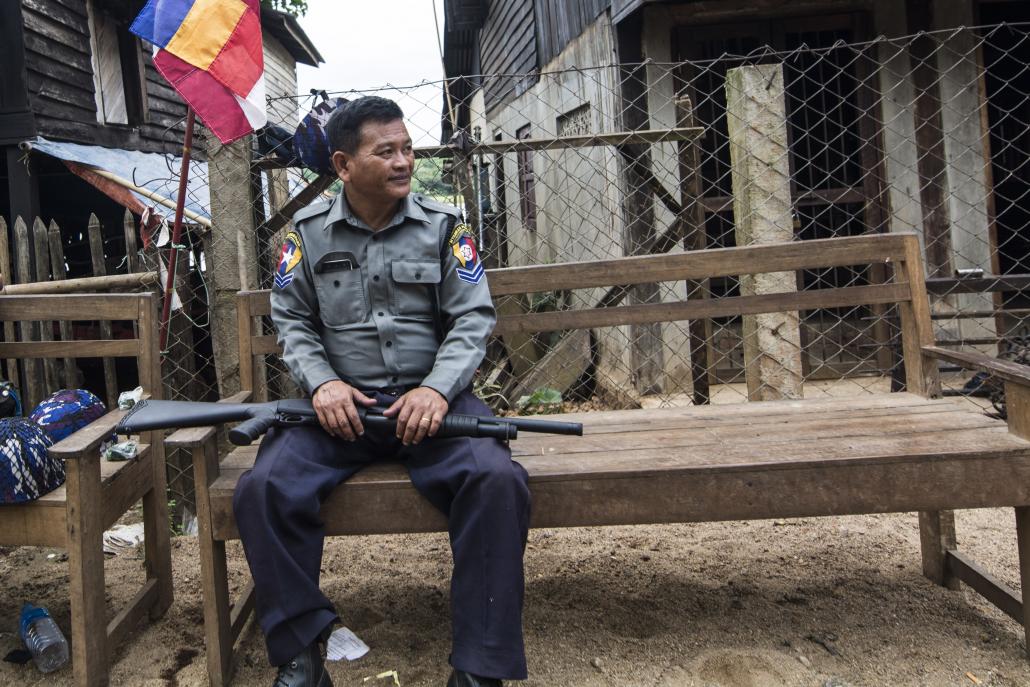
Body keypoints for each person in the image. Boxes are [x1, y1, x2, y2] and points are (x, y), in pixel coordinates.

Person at [233, 96, 531, 687]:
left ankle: (480, 668)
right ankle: (301, 652)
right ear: (344, 165)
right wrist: (323, 385)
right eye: (385, 151)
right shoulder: (308, 235)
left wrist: (438, 392)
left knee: (497, 481)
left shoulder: (445, 227)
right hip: (342, 411)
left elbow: (473, 319)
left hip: (433, 409)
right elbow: (292, 322)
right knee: (263, 488)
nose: (403, 162)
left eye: (407, 149)